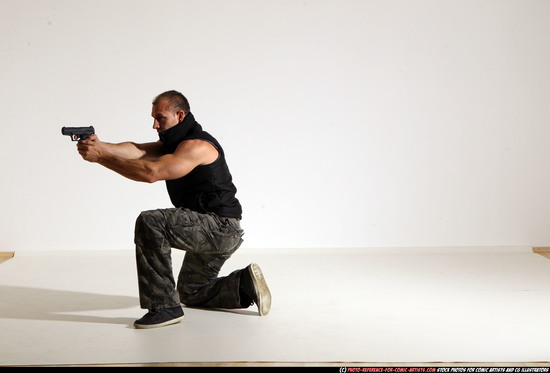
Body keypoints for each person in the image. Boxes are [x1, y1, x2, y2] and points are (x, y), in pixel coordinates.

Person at [76, 90, 271, 329]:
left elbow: (151, 173)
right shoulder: (174, 142)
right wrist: (101, 146)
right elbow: (137, 150)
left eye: (160, 118)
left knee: (151, 222)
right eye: (153, 118)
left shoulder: (196, 145)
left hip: (219, 228)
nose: (155, 125)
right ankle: (243, 283)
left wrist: (101, 159)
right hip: (213, 227)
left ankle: (164, 307)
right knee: (190, 291)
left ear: (180, 115)